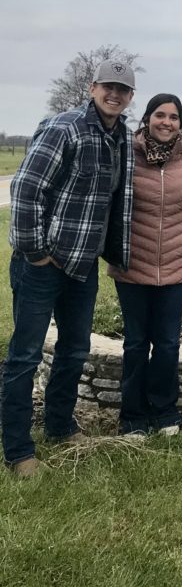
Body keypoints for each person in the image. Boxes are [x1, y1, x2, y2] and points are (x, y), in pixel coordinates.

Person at [2, 59, 136, 477]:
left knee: (74, 350)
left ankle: (60, 426)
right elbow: (25, 190)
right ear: (93, 87)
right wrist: (35, 251)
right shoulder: (64, 128)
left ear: (130, 98)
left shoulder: (121, 137)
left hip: (82, 266)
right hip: (41, 265)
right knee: (24, 357)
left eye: (123, 89)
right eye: (108, 86)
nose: (115, 94)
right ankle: (19, 451)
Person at [109, 94, 182, 437]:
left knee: (168, 343)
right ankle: (133, 415)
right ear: (147, 118)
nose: (166, 122)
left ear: (181, 123)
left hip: (176, 269)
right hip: (132, 268)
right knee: (136, 343)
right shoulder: (127, 155)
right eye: (160, 115)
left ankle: (164, 409)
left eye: (173, 117)